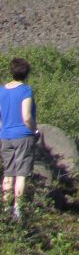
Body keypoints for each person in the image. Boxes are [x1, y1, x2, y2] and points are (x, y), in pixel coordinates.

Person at [0, 57, 38, 221]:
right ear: (26, 74)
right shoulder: (25, 90)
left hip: (5, 136)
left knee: (8, 173)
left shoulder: (1, 90)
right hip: (23, 136)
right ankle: (18, 211)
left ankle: (6, 209)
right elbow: (26, 116)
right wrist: (35, 130)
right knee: (21, 174)